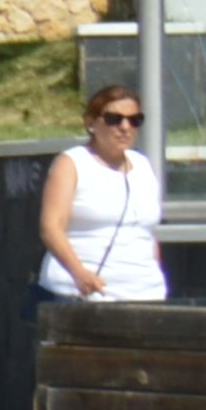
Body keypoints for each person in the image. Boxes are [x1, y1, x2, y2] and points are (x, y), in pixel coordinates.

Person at [40, 81, 169, 304]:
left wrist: (154, 274)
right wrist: (78, 273)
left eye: (134, 120)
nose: (125, 127)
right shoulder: (72, 163)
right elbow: (51, 228)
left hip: (147, 294)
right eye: (114, 119)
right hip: (84, 294)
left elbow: (147, 231)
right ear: (91, 123)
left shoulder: (142, 165)